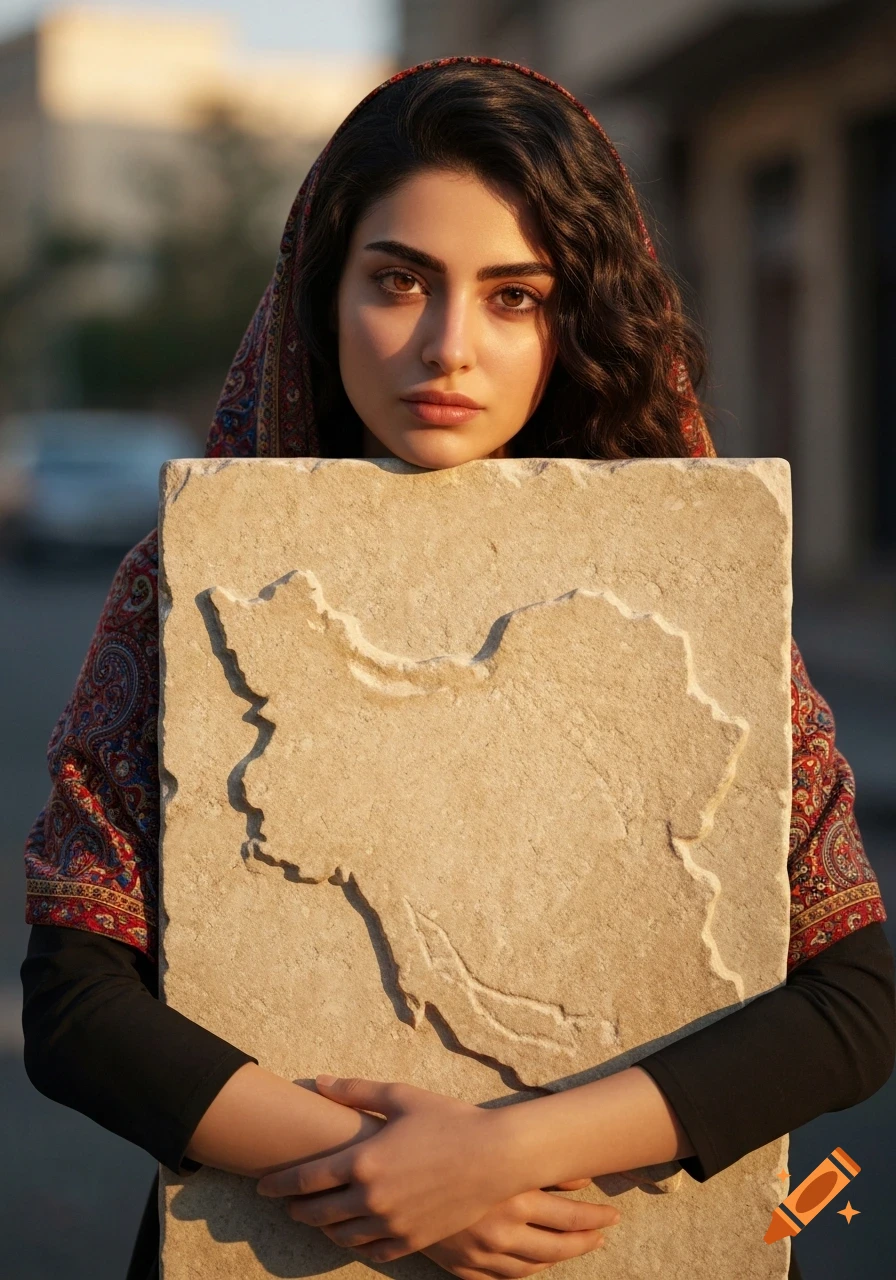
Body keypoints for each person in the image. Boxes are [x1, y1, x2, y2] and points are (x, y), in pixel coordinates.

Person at [20, 57, 894, 1280]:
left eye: (514, 296)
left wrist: (501, 1153)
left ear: (577, 314)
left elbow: (849, 1000)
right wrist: (371, 1172)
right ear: (323, 296)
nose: (448, 347)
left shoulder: (684, 586)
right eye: (398, 282)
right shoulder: (186, 582)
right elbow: (75, 1003)